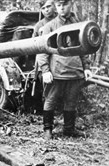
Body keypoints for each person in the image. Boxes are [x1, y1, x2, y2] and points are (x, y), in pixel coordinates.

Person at [36, 0, 92, 140]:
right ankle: (47, 129)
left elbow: (83, 48)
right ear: (56, 6)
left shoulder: (78, 24)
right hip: (57, 71)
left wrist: (86, 67)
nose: (61, 8)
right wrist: (45, 70)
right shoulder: (50, 26)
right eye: (59, 5)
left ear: (70, 4)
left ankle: (69, 129)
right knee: (50, 99)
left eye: (64, 5)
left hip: (75, 70)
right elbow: (41, 50)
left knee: (71, 100)